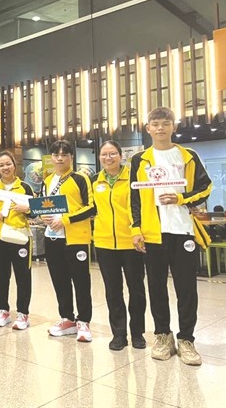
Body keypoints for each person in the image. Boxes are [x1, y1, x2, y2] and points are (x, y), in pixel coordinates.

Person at [130, 107, 212, 366]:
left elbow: (205, 187)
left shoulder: (188, 156)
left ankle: (186, 339)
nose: (161, 128)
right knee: (156, 287)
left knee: (186, 288)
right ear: (148, 128)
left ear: (174, 127)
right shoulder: (140, 159)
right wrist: (136, 229)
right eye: (156, 124)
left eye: (166, 123)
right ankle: (163, 336)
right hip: (154, 233)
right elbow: (134, 197)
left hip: (184, 230)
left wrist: (180, 198)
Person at [92, 141, 146, 351]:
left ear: (121, 155)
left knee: (137, 290)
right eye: (104, 154)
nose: (108, 158)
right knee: (113, 291)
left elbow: (139, 206)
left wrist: (137, 230)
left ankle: (138, 333)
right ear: (99, 158)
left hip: (131, 242)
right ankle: (119, 334)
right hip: (104, 244)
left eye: (112, 153)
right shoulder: (95, 181)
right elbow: (90, 207)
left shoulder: (133, 177)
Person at [41, 140, 94, 342]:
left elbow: (91, 207)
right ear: (51, 158)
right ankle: (67, 318)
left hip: (76, 239)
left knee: (81, 281)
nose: (60, 158)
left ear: (72, 157)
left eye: (64, 154)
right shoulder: (47, 181)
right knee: (59, 280)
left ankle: (84, 321)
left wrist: (66, 219)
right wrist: (43, 217)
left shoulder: (80, 178)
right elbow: (44, 206)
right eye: (56, 155)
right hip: (52, 238)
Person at [0, 150, 35, 330]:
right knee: (2, 275)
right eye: (1, 165)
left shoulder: (26, 188)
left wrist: (26, 209)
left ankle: (23, 313)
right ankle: (3, 310)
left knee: (23, 276)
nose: (5, 167)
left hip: (20, 237)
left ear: (14, 165)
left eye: (8, 163)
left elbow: (35, 212)